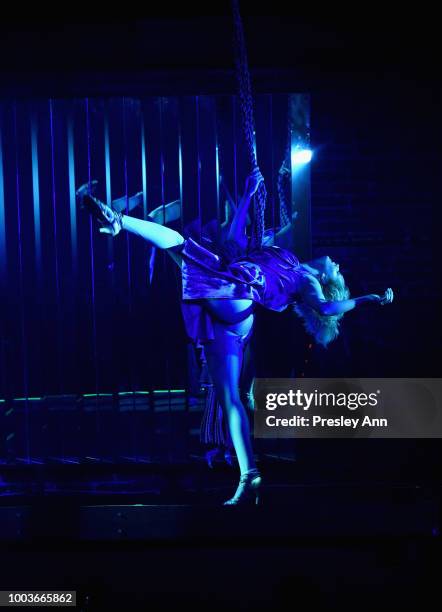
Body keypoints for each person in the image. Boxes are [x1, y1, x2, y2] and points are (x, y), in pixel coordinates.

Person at [78, 168, 394, 505]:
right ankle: (248, 474)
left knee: (185, 250)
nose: (336, 262)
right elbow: (232, 242)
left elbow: (328, 310)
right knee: (229, 397)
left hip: (236, 296)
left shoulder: (307, 278)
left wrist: (367, 299)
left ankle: (120, 222)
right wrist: (246, 195)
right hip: (230, 313)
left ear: (328, 280)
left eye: (338, 269)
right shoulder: (282, 254)